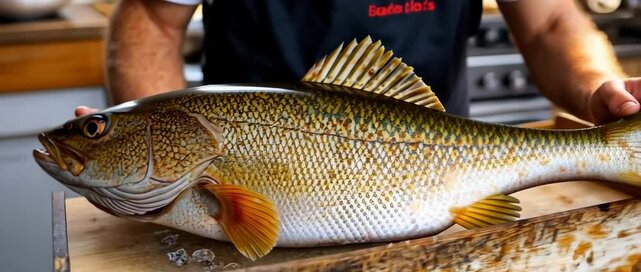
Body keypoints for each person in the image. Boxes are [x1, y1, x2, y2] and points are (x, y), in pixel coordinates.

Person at [77, 0, 641, 125]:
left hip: (435, 175)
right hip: (245, 186)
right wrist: (157, 143)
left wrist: (600, 91)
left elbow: (549, 23)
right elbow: (152, 15)